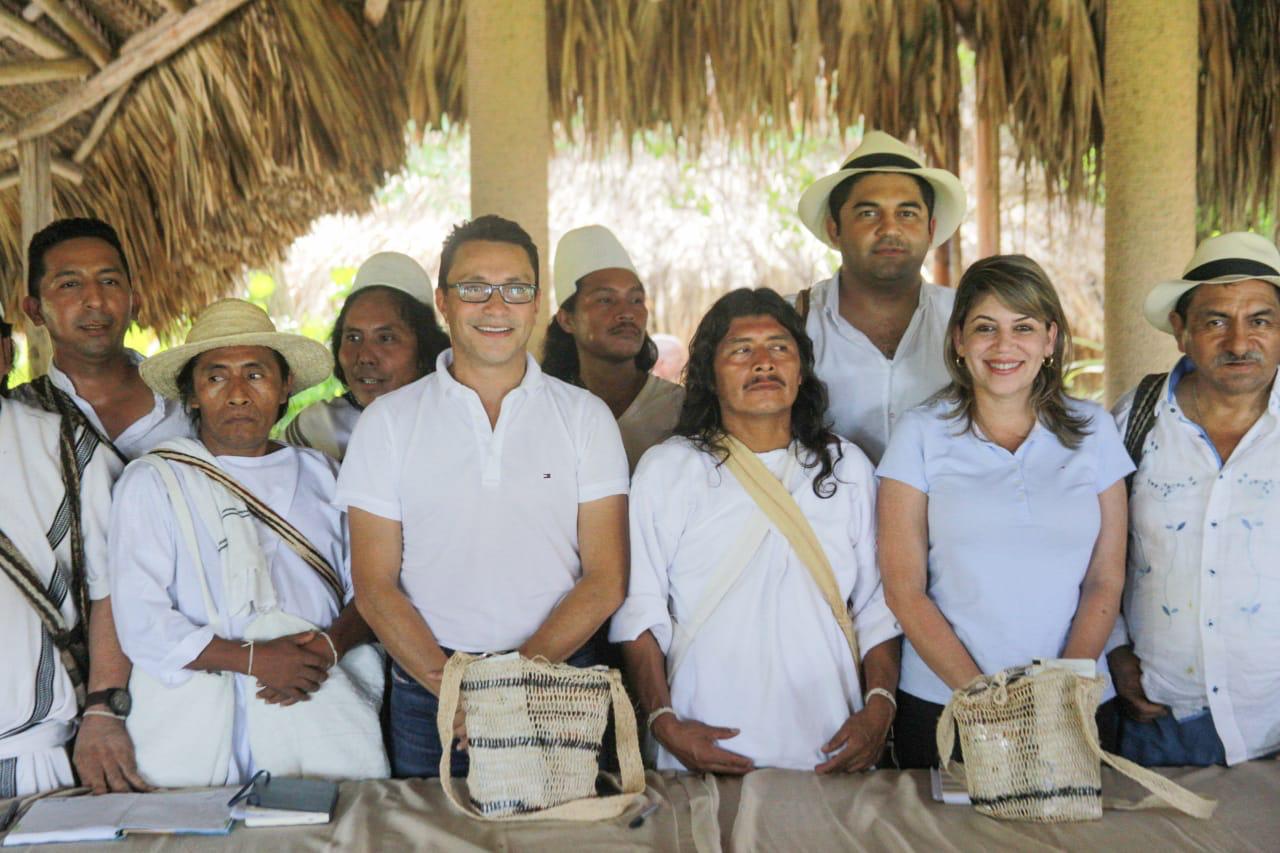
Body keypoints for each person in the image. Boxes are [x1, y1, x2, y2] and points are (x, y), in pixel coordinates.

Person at [337, 215, 630, 778]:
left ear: (537, 303)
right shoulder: (389, 422)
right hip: (429, 690)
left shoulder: (584, 418)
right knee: (431, 839)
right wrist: (457, 694)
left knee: (557, 841)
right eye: (474, 288)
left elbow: (606, 579)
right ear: (444, 303)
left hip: (558, 680)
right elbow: (375, 585)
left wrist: (516, 686)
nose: (497, 306)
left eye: (516, 289)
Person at [610, 288, 901, 774]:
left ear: (801, 369)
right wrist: (664, 722)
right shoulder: (669, 469)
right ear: (709, 375)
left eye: (780, 347)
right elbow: (640, 610)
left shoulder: (846, 466)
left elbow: (876, 605)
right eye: (741, 350)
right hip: (702, 748)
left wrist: (878, 711)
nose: (764, 362)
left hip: (831, 748)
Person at [109, 299, 386, 786]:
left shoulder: (324, 476)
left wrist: (327, 647)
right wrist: (255, 660)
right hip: (189, 732)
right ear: (191, 395)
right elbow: (141, 621)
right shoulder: (153, 480)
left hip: (314, 706)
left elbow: (370, 590)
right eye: (216, 377)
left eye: (255, 375)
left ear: (284, 390)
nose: (237, 394)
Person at [877, 255, 1131, 768]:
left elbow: (1105, 578)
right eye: (985, 328)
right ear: (958, 340)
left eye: (1024, 327)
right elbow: (904, 589)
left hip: (1077, 704)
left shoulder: (1095, 429)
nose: (1004, 346)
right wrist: (985, 701)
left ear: (1050, 339)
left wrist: (1063, 693)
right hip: (947, 704)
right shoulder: (919, 434)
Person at [14, 217, 193, 793]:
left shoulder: (194, 409)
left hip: (194, 676)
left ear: (134, 297)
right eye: (69, 284)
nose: (94, 299)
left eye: (109, 281)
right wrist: (99, 704)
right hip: (63, 701)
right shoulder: (19, 427)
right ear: (33, 308)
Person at [1109, 232, 1280, 766]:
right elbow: (1090, 550)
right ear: (1180, 331)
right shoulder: (1134, 418)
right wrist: (1113, 650)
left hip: (1271, 723)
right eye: (1214, 321)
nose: (1238, 341)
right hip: (1159, 721)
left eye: (1260, 319)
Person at [793, 131, 967, 463]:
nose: (890, 229)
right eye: (868, 213)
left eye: (907, 213)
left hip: (941, 514)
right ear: (835, 229)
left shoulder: (969, 321)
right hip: (819, 513)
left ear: (930, 230)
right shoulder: (789, 324)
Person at [0, 327, 115, 797]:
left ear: (4, 352)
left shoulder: (60, 446)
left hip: (35, 758)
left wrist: (105, 711)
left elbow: (115, 588)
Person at [543, 225, 684, 471]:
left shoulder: (682, 410)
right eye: (605, 300)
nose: (627, 313)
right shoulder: (546, 411)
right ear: (567, 319)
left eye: (636, 300)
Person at [285, 251, 449, 461]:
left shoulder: (454, 422)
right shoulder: (316, 431)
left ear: (425, 346)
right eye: (353, 337)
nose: (364, 356)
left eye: (386, 338)